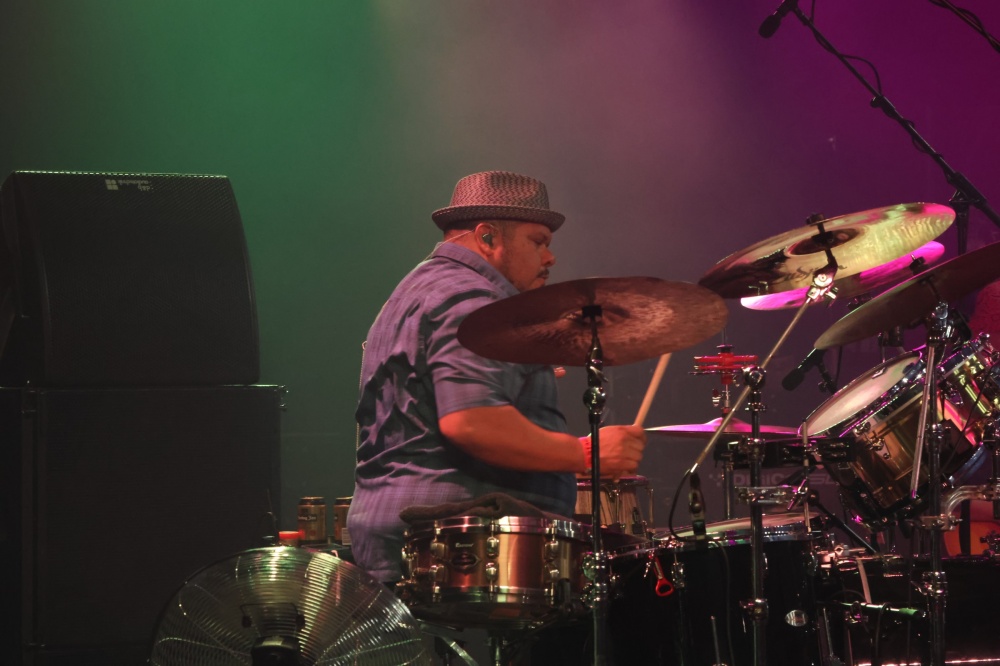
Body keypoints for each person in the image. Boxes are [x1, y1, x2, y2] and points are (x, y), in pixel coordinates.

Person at [348, 170, 647, 584]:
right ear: (488, 237)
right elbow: (472, 422)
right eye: (538, 242)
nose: (550, 258)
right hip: (460, 554)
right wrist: (587, 455)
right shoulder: (470, 298)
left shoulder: (420, 288)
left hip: (415, 542)